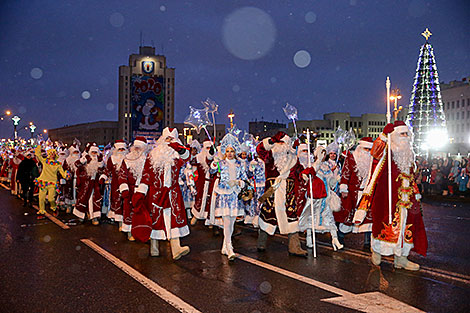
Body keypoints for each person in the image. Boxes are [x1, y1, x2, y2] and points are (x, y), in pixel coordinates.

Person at [355, 121, 428, 271]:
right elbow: (375, 152)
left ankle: (401, 258)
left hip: (406, 200)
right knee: (383, 224)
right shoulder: (387, 150)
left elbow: (411, 177)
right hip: (386, 197)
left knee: (406, 228)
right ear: (393, 136)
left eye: (407, 134)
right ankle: (377, 251)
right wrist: (382, 135)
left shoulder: (409, 154)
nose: (405, 137)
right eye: (402, 134)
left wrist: (416, 193)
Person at [132, 128, 191, 260]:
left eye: (172, 139)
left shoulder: (177, 156)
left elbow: (187, 157)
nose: (169, 142)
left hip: (172, 193)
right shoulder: (153, 155)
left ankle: (176, 248)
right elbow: (146, 174)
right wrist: (141, 192)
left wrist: (180, 149)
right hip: (155, 193)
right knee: (155, 220)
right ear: (162, 140)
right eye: (167, 139)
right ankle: (154, 247)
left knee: (174, 219)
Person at [256, 131, 307, 256]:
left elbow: (299, 174)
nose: (280, 145)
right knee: (267, 217)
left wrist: (306, 174)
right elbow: (260, 149)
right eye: (278, 142)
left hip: (288, 192)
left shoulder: (293, 159)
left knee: (291, 218)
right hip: (272, 191)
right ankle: (261, 243)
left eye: (282, 142)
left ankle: (294, 247)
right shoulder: (269, 156)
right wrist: (271, 140)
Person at [211, 133, 247, 260]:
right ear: (224, 151)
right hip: (224, 195)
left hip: (235, 195)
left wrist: (238, 182)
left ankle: (224, 246)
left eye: (232, 151)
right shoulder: (221, 163)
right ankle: (229, 247)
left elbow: (244, 179)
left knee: (231, 222)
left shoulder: (239, 164)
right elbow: (212, 171)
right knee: (227, 222)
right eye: (227, 151)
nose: (230, 153)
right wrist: (214, 164)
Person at [334, 137, 373, 249]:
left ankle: (367, 242)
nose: (367, 152)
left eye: (369, 150)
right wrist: (344, 189)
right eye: (365, 149)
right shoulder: (351, 158)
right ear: (360, 148)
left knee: (368, 218)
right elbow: (345, 173)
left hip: (366, 194)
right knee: (347, 218)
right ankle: (340, 238)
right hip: (352, 193)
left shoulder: (372, 161)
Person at [302, 145, 343, 251]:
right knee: (312, 218)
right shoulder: (312, 166)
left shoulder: (326, 166)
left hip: (326, 197)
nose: (323, 156)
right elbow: (306, 177)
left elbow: (331, 183)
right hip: (315, 197)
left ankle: (335, 240)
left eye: (324, 154)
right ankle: (309, 239)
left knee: (329, 218)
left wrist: (337, 178)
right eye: (321, 153)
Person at [118, 137, 148, 240]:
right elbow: (122, 175)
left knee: (143, 212)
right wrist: (124, 188)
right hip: (130, 190)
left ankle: (142, 231)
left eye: (140, 148)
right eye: (136, 148)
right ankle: (129, 231)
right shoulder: (127, 159)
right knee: (129, 210)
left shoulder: (147, 160)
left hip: (143, 190)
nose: (137, 150)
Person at [73, 143, 105, 225]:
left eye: (95, 152)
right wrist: (83, 160)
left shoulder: (99, 161)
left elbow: (102, 170)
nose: (94, 154)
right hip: (85, 184)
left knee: (94, 200)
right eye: (93, 152)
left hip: (95, 184)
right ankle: (81, 215)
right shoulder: (85, 159)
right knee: (83, 198)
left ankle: (94, 217)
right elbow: (77, 164)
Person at [34, 145, 67, 218]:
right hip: (43, 182)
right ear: (49, 154)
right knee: (41, 198)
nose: (52, 155)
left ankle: (54, 208)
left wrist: (66, 175)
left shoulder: (58, 164)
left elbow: (62, 172)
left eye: (54, 154)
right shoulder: (45, 161)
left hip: (52, 183)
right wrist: (39, 147)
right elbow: (38, 155)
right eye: (51, 154)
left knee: (51, 199)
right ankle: (42, 212)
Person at [190, 139, 216, 225]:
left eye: (210, 148)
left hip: (212, 182)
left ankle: (210, 220)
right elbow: (193, 171)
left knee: (211, 201)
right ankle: (196, 216)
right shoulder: (198, 158)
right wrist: (194, 182)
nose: (208, 150)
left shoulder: (215, 158)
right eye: (207, 148)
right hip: (201, 182)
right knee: (199, 199)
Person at [102, 140, 128, 224]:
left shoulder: (128, 158)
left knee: (125, 200)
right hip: (115, 183)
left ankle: (124, 218)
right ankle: (116, 217)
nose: (121, 152)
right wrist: (103, 177)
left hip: (126, 183)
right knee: (115, 199)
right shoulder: (112, 159)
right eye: (119, 149)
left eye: (122, 150)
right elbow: (107, 170)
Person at [62, 144, 81, 213]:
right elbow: (64, 169)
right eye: (74, 152)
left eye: (77, 152)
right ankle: (68, 206)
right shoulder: (67, 160)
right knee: (69, 192)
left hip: (78, 180)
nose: (76, 154)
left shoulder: (80, 160)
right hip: (70, 180)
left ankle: (77, 207)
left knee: (78, 193)